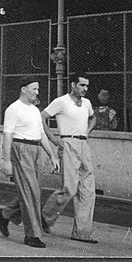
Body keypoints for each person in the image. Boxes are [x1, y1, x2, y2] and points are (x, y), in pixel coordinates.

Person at [0, 76, 60, 249]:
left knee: (33, 191)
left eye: (38, 89)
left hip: (35, 150)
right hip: (20, 150)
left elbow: (42, 135)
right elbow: (7, 135)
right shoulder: (13, 109)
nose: (37, 92)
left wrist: (52, 156)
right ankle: (32, 235)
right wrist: (7, 161)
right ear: (24, 89)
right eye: (34, 89)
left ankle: (5, 214)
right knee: (31, 193)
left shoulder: (34, 111)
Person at [41, 73, 98, 244]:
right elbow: (42, 117)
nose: (85, 89)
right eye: (82, 85)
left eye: (87, 86)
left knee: (88, 190)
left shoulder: (87, 103)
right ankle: (45, 217)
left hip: (83, 145)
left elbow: (93, 117)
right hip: (67, 143)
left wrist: (87, 132)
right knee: (70, 188)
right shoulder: (62, 101)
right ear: (73, 84)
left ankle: (82, 233)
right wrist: (53, 139)